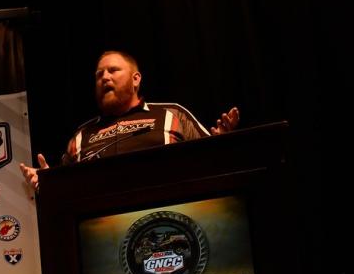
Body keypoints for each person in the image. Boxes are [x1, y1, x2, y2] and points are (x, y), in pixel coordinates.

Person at [20, 50, 240, 190]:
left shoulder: (171, 114)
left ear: (136, 79)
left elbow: (211, 163)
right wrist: (47, 182)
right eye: (99, 74)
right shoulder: (81, 135)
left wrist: (219, 143)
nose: (105, 77)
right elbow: (65, 188)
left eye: (113, 70)